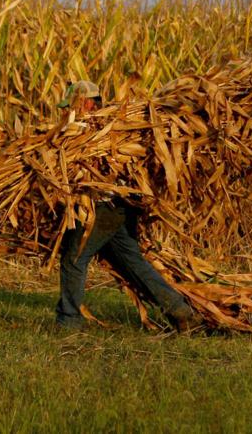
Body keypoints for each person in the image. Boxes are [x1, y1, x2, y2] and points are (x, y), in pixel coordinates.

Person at [54, 80, 199, 333]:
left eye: (73, 105)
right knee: (132, 263)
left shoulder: (91, 128)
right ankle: (180, 310)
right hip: (119, 208)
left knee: (74, 259)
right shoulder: (113, 124)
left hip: (102, 206)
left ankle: (68, 322)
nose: (67, 111)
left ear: (87, 103)